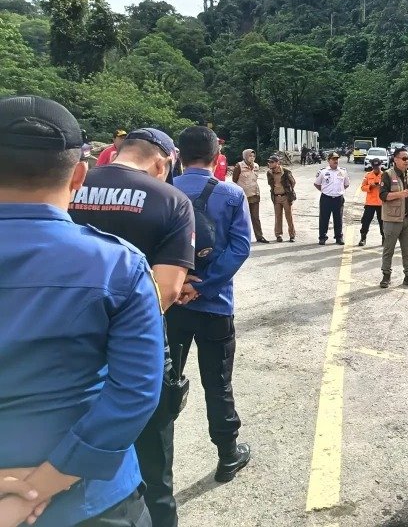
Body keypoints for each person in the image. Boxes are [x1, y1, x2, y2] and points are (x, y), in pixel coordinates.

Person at [0, 95, 163, 527]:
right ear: (79, 176)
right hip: (91, 503)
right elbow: (135, 394)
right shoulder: (118, 266)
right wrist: (39, 487)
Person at [69, 127, 194, 526]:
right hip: (138, 348)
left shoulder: (73, 183)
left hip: (71, 343)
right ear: (162, 162)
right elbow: (168, 290)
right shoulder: (171, 200)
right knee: (155, 467)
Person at [166, 126, 252, 483]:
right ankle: (227, 456)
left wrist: (180, 284)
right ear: (218, 156)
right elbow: (240, 246)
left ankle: (156, 465)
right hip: (215, 305)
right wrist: (205, 285)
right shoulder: (232, 194)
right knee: (218, 384)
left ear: (178, 157)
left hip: (169, 304)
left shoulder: (163, 191)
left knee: (165, 379)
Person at [379, 147, 408, 289]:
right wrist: (399, 194)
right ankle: (386, 276)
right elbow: (383, 196)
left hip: (407, 218)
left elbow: (407, 192)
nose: (407, 161)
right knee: (388, 249)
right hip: (392, 219)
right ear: (395, 159)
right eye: (404, 158)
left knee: (407, 250)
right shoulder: (387, 175)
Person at [233, 148, 269, 244]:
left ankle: (259, 236)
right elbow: (234, 180)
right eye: (250, 156)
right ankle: (243, 238)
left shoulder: (256, 166)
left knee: (255, 217)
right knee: (243, 218)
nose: (252, 158)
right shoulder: (239, 166)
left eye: (253, 156)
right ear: (245, 156)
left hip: (255, 194)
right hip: (243, 196)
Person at [315, 151, 349, 245]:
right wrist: (326, 191)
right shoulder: (323, 171)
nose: (336, 161)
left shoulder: (343, 171)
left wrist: (338, 191)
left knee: (338, 218)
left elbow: (346, 184)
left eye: (337, 159)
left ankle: (339, 237)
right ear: (328, 160)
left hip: (338, 198)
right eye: (333, 159)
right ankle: (322, 237)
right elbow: (317, 184)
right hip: (326, 198)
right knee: (324, 218)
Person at [266, 154, 297, 243]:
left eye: (272, 162)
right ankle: (278, 235)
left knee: (289, 216)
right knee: (278, 216)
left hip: (286, 197)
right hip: (276, 197)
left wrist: (288, 191)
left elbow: (293, 182)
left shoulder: (286, 172)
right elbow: (270, 184)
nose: (270, 164)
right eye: (269, 162)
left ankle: (292, 235)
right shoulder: (269, 173)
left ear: (278, 163)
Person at [359, 157, 384, 246]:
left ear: (380, 165)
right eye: (374, 166)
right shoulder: (368, 175)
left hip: (381, 203)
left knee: (382, 221)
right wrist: (370, 186)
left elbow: (389, 188)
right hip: (370, 203)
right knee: (366, 221)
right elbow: (362, 187)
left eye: (377, 166)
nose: (376, 168)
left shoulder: (385, 175)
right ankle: (363, 238)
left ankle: (384, 238)